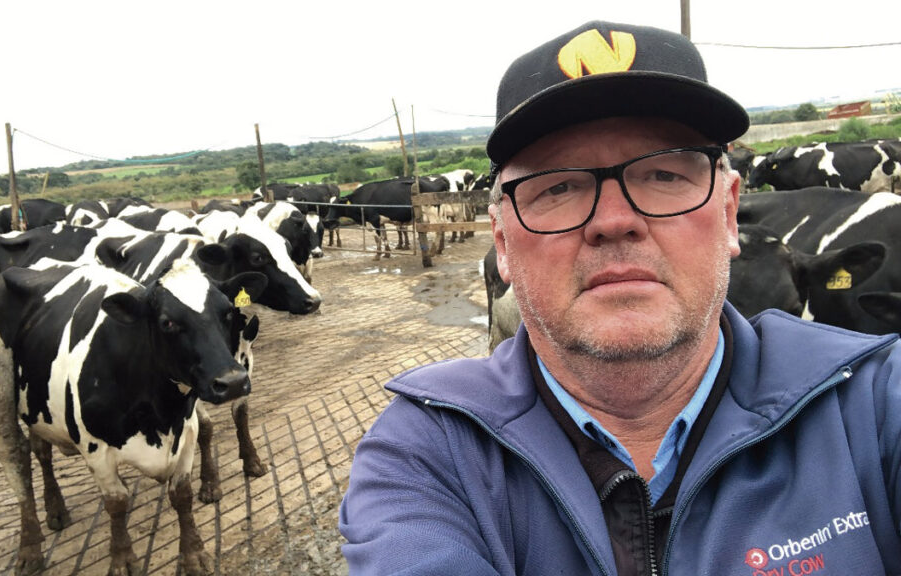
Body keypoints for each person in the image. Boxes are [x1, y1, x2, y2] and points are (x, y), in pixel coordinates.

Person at [338, 20, 901, 575]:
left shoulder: (872, 399)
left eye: (663, 174)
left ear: (729, 213)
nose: (614, 221)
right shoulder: (429, 454)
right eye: (557, 186)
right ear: (503, 244)